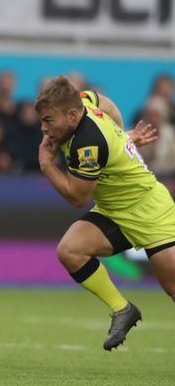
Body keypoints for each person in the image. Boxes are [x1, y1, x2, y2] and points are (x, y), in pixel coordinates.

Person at [36, 76, 171, 350]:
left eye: (49, 121)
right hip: (115, 212)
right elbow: (108, 105)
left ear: (72, 116)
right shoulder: (83, 99)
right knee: (70, 250)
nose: (44, 128)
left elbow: (77, 196)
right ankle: (123, 309)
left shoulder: (88, 143)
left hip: (151, 210)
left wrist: (47, 166)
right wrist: (122, 139)